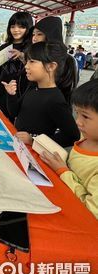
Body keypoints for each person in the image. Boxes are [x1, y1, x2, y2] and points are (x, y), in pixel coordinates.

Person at [3, 41, 80, 147]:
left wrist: (34, 141)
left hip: (35, 155)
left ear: (51, 66)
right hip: (20, 146)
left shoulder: (55, 99)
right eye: (27, 61)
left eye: (32, 61)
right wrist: (11, 95)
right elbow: (14, 112)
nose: (26, 66)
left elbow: (72, 136)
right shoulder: (32, 87)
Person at [40, 80, 98, 219]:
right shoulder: (86, 140)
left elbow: (90, 211)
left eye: (85, 116)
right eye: (76, 113)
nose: (77, 121)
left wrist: (63, 172)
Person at [0, 12, 33, 120]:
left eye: (21, 27)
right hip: (2, 95)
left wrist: (23, 56)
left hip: (22, 96)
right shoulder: (6, 48)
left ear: (28, 28)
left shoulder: (32, 49)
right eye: (13, 26)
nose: (16, 30)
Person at [31, 16, 77, 103]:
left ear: (51, 34)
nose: (34, 38)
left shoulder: (67, 60)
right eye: (33, 34)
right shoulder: (37, 56)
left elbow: (67, 90)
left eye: (39, 34)